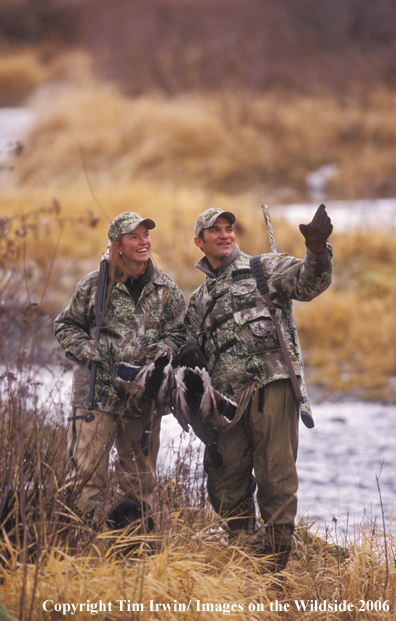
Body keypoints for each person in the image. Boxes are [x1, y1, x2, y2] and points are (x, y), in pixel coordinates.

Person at [182, 204, 333, 570]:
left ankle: (278, 561)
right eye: (214, 230)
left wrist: (316, 249)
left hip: (271, 383)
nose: (224, 234)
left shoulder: (263, 267)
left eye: (228, 228)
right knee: (224, 474)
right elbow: (186, 357)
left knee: (275, 470)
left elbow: (309, 283)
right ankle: (243, 550)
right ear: (199, 242)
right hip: (226, 403)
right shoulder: (197, 301)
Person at [54, 211, 186, 529]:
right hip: (94, 395)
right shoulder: (94, 285)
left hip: (141, 398)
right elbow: (65, 324)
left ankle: (136, 554)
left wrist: (159, 356)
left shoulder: (165, 289)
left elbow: (181, 333)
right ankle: (78, 546)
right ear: (118, 245)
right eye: (134, 237)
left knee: (139, 480)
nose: (143, 242)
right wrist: (90, 351)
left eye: (145, 236)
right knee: (87, 477)